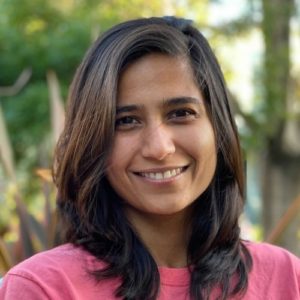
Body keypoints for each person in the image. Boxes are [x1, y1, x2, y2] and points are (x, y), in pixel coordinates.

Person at [0, 16, 299, 300]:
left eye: (181, 113)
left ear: (217, 127)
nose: (159, 148)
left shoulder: (287, 278)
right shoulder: (44, 288)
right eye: (126, 121)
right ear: (92, 141)